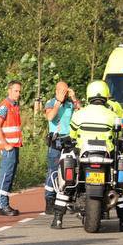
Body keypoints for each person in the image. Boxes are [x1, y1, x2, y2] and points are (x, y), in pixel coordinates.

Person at [69, 79, 123, 231]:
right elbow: (118, 135)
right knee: (116, 184)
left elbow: (72, 135)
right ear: (105, 95)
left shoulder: (79, 114)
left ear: (89, 94)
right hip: (106, 156)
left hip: (85, 156)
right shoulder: (112, 115)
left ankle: (61, 210)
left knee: (73, 174)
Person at [43, 81, 81, 215]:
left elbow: (81, 113)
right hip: (56, 140)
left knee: (70, 169)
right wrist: (58, 102)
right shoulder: (51, 102)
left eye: (66, 91)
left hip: (69, 140)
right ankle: (49, 200)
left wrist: (74, 98)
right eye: (62, 91)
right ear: (56, 91)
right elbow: (49, 117)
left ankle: (69, 198)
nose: (64, 94)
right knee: (53, 170)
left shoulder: (70, 104)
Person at [0, 80, 25, 216]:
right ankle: (2, 205)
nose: (18, 93)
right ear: (9, 90)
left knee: (10, 175)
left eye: (19, 91)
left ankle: (4, 203)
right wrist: (5, 144)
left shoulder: (15, 106)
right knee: (6, 174)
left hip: (14, 146)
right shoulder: (5, 106)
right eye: (15, 91)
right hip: (8, 147)